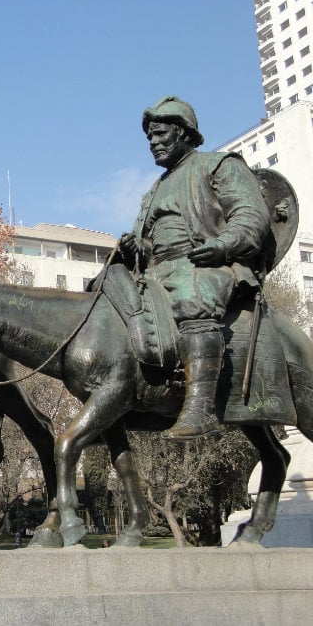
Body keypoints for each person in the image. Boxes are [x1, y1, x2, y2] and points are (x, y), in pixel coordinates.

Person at [119, 96, 270, 441]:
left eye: (160, 134)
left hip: (208, 264)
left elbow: (251, 215)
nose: (153, 143)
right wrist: (136, 249)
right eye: (150, 138)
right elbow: (151, 245)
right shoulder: (153, 191)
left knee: (191, 294)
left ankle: (201, 409)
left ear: (185, 133)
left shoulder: (219, 165)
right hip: (158, 273)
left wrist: (223, 244)